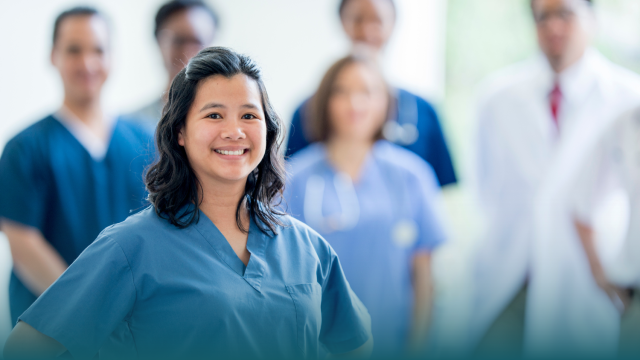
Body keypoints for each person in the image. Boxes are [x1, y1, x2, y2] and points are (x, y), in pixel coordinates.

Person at [3, 47, 373, 360]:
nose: (234, 130)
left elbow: (357, 342)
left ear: (267, 129)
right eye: (214, 115)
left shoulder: (306, 247)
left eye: (249, 115)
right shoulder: (133, 246)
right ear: (180, 131)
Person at [470, 0, 640, 357]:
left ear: (592, 20)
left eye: (565, 13)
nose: (552, 25)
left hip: (594, 277)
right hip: (512, 272)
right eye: (541, 16)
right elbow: (484, 188)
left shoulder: (628, 97)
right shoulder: (497, 97)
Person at [0, 6, 153, 329]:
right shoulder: (25, 148)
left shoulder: (146, 143)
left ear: (112, 57)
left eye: (98, 50)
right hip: (51, 329)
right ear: (53, 55)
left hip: (131, 326)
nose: (87, 63)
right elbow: (23, 244)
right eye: (73, 50)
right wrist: (88, 312)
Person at [284, 55, 447, 358]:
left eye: (367, 92)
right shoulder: (293, 178)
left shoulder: (412, 175)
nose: (354, 103)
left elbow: (424, 279)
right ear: (324, 101)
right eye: (341, 91)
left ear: (385, 102)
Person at [286, 0, 457, 187]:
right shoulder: (308, 111)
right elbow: (286, 187)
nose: (367, 30)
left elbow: (443, 193)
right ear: (342, 22)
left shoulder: (423, 111)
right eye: (357, 19)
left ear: (393, 24)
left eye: (377, 20)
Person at [130, 0, 218, 127]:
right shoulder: (133, 126)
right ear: (159, 42)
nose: (187, 52)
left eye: (197, 42)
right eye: (178, 41)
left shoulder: (230, 123)